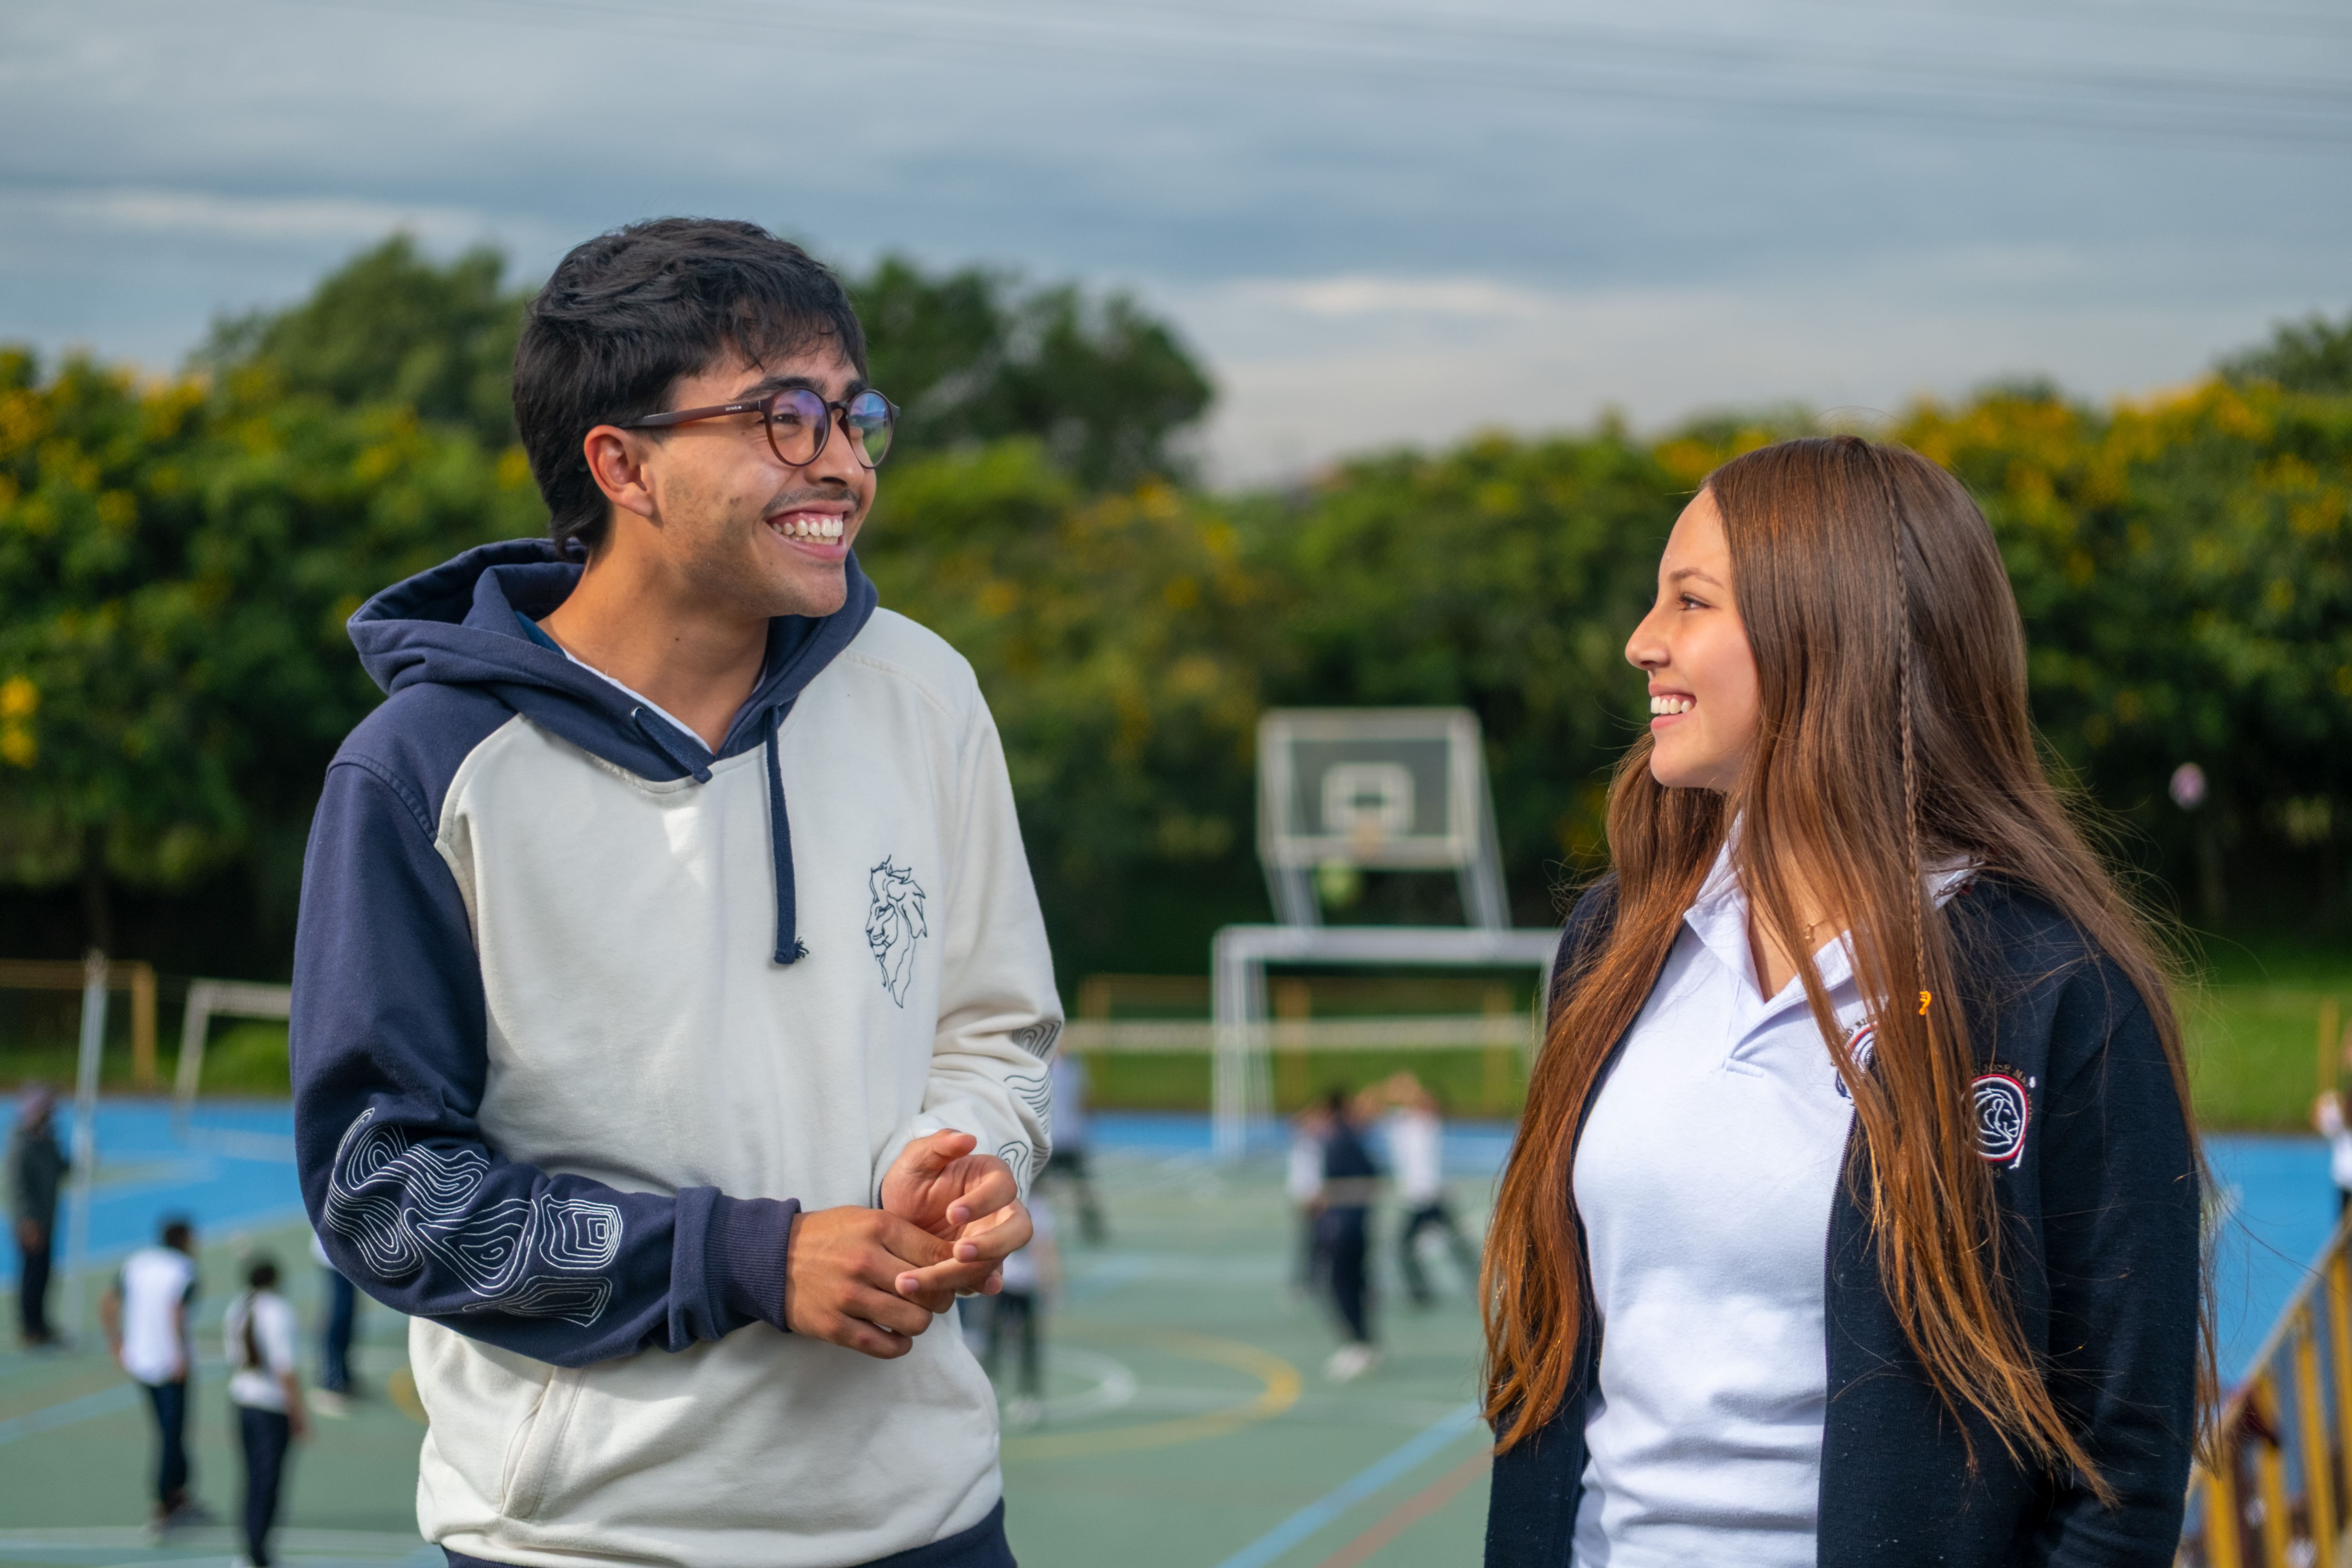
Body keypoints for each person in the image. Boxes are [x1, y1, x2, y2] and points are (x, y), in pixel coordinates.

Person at [289, 218, 1059, 1568]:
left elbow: (993, 1033)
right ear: (621, 462)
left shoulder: (925, 695)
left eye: (853, 413)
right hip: (585, 1539)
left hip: (929, 1515)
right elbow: (384, 1192)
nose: (840, 460)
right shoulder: (424, 773)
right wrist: (749, 1261)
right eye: (783, 416)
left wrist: (965, 1161)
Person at [1482, 436, 2203, 1567]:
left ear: (1826, 633)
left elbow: (2120, 1469)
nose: (1642, 642)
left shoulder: (2049, 988)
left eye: (1690, 602)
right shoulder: (1618, 940)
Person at [102, 1215, 205, 1534]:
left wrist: (116, 1342)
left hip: (139, 1360)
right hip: (169, 1364)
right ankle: (165, 1504)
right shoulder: (185, 1271)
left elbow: (107, 1302)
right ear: (184, 1240)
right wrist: (181, 1356)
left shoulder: (136, 1263)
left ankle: (179, 1495)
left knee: (168, 1431)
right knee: (172, 1434)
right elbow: (177, 1313)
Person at [225, 1255, 308, 1568]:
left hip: (242, 1401)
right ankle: (257, 1554)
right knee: (268, 1484)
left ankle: (250, 1547)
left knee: (251, 1479)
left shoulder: (238, 1307)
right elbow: (285, 1369)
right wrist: (299, 1415)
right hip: (270, 1407)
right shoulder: (279, 1311)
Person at [1379, 1075, 1478, 1307]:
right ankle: (1420, 1293)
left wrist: (1402, 1088)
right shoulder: (1400, 1123)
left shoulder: (1427, 1126)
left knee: (1459, 1249)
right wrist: (1394, 1090)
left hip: (1433, 1196)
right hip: (1415, 1199)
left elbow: (1416, 1099)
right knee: (1406, 1249)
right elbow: (1376, 1104)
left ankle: (1477, 1287)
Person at [1316, 1088, 1382, 1383]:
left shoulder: (1340, 1141)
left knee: (1342, 1284)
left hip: (1346, 1226)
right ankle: (1364, 1342)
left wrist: (1327, 1196)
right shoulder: (1352, 1139)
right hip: (1355, 1224)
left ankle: (1358, 1344)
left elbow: (1367, 1181)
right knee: (1356, 1283)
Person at [982, 1200, 1060, 1429]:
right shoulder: (1010, 1204)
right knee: (996, 1341)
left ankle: (1028, 1397)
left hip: (1023, 1287)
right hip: (1004, 1285)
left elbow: (1046, 1250)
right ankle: (994, 1388)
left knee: (1025, 1346)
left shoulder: (1036, 1209)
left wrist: (1050, 1285)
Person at [7, 1084, 67, 1347]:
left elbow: (60, 1170)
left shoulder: (47, 1139)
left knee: (44, 1273)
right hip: (32, 1222)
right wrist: (27, 1221)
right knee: (31, 1274)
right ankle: (30, 1326)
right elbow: (18, 1187)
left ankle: (41, 1322)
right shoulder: (22, 1144)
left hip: (48, 1217)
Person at [1036, 1050, 1106, 1243]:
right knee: (1031, 1190)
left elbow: (1082, 1100)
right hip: (1047, 1141)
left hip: (1069, 1141)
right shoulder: (1038, 1066)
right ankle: (1025, 1232)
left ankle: (1093, 1230)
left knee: (1082, 1188)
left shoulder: (1073, 1066)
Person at [1286, 1100, 1332, 1299]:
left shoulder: (1321, 1144)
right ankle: (1302, 1283)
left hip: (1321, 1199)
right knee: (1309, 1243)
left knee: (1322, 1243)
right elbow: (1293, 1122)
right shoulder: (1302, 1141)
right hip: (1305, 1199)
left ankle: (1316, 1282)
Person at [308, 1230, 357, 1416]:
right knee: (338, 1318)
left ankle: (343, 1376)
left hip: (346, 1253)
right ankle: (331, 1380)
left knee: (346, 1318)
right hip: (335, 1255)